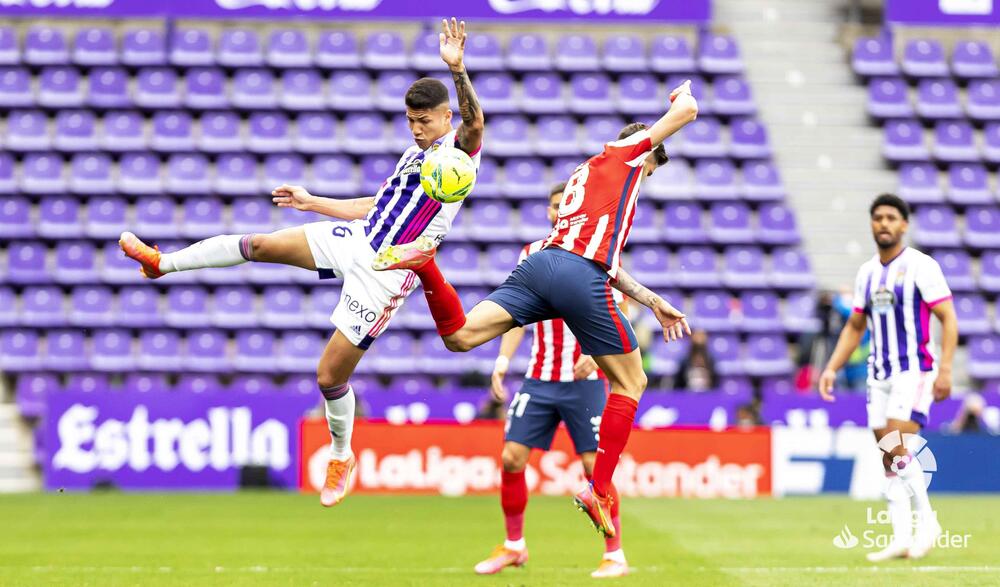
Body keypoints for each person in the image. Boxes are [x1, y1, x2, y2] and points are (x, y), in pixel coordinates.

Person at [117, 18, 485, 508]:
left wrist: (458, 70)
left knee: (329, 377)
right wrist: (315, 202)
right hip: (357, 237)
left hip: (387, 271)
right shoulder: (412, 154)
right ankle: (161, 263)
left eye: (425, 122)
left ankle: (340, 454)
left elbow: (475, 122)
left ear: (445, 117)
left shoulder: (459, 156)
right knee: (262, 244)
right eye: (410, 121)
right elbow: (374, 207)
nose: (417, 129)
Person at [373, 80, 699, 538]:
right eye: (650, 166)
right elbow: (687, 111)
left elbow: (606, 263)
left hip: (544, 263)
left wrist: (654, 302)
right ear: (641, 150)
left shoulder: (589, 173)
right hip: (576, 274)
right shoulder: (626, 154)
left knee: (461, 336)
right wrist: (678, 95)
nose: (646, 175)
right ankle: (598, 488)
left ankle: (427, 267)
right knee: (633, 380)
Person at [474, 182, 628, 578]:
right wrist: (502, 361)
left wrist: (595, 356)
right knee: (511, 457)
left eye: (566, 206)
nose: (561, 212)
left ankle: (615, 554)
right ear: (548, 212)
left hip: (585, 381)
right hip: (540, 377)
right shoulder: (531, 254)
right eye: (555, 207)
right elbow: (514, 314)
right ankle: (514, 547)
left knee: (595, 468)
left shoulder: (597, 253)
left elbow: (619, 311)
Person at [819, 194, 958, 562]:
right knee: (887, 454)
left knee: (896, 444)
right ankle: (900, 536)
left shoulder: (921, 266)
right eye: (878, 217)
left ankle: (927, 523)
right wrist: (832, 367)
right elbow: (854, 324)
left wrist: (945, 369)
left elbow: (949, 317)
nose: (883, 223)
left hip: (913, 370)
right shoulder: (867, 272)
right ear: (871, 223)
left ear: (904, 225)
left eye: (891, 217)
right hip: (878, 374)